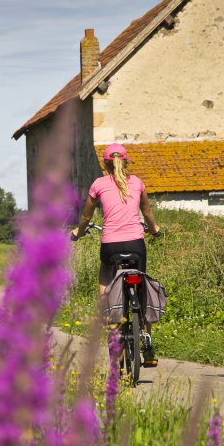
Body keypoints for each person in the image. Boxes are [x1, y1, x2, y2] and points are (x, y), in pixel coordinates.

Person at [71, 143, 161, 364]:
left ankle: (106, 306)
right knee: (142, 285)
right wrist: (155, 229)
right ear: (127, 161)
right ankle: (147, 337)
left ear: (105, 164)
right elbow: (147, 212)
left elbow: (85, 217)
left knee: (106, 271)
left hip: (110, 246)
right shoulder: (138, 183)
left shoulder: (98, 184)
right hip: (136, 245)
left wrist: (78, 232)